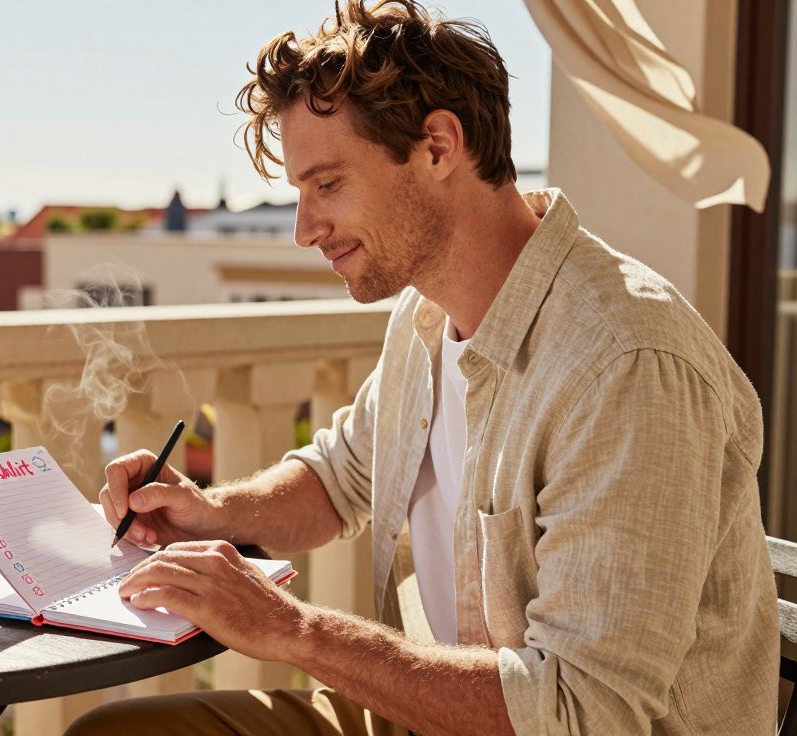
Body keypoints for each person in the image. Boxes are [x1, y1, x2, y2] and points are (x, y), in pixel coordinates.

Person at [66, 1, 778, 734]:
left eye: (327, 185)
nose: (304, 230)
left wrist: (289, 629)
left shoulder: (626, 367)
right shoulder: (426, 315)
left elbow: (582, 712)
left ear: (439, 146)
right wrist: (211, 512)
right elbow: (341, 477)